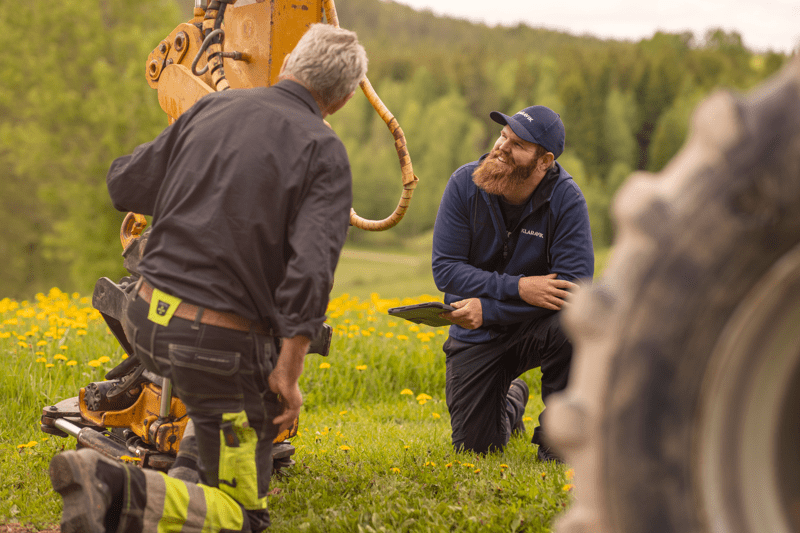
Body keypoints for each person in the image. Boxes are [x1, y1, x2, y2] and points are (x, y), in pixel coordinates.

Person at [47, 23, 368, 533]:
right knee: (241, 513)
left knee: (216, 418)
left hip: (149, 324)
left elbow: (124, 182)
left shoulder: (212, 109)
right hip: (220, 350)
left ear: (287, 67)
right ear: (346, 98)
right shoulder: (323, 151)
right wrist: (287, 375)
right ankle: (110, 487)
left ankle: (185, 478)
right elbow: (311, 274)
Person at [431, 105, 593, 461]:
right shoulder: (464, 184)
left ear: (544, 160)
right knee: (477, 448)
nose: (502, 146)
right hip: (476, 334)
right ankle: (513, 400)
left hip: (532, 328)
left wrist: (489, 308)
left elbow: (571, 290)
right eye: (503, 135)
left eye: (518, 143)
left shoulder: (566, 199)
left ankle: (558, 441)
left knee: (574, 325)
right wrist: (519, 288)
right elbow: (446, 269)